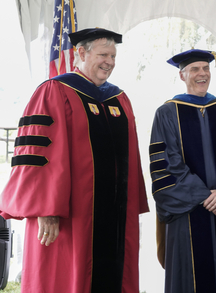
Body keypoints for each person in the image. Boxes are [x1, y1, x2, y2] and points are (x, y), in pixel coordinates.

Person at [0, 28, 149, 293]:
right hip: (72, 216)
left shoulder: (119, 100)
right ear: (81, 53)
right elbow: (39, 155)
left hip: (115, 217)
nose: (110, 62)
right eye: (103, 54)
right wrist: (47, 208)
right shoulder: (54, 91)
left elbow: (130, 159)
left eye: (113, 56)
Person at [150, 49, 216, 293]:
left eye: (206, 68)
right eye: (195, 69)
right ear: (182, 75)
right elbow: (167, 164)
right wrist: (207, 196)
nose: (202, 74)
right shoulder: (167, 112)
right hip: (187, 211)